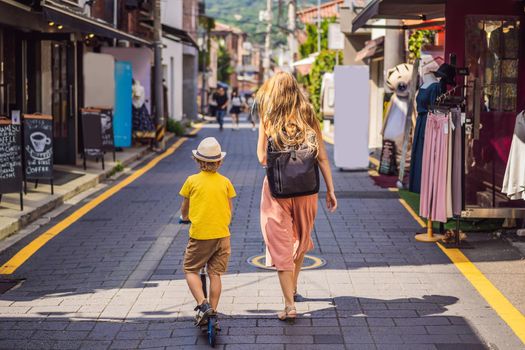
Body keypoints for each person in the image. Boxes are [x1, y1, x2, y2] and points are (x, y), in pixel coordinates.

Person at [256, 72, 338, 323]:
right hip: (307, 190)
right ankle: (292, 287)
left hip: (277, 191)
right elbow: (322, 156)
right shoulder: (308, 114)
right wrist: (331, 190)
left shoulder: (268, 117)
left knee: (280, 245)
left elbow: (261, 157)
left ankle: (290, 305)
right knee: (300, 241)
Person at [179, 137, 236, 326]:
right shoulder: (226, 182)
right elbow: (229, 209)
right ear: (219, 161)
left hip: (200, 236)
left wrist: (185, 217)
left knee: (190, 269)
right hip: (222, 234)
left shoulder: (191, 181)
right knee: (215, 274)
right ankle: (214, 311)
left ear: (198, 160)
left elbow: (185, 208)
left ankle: (203, 305)